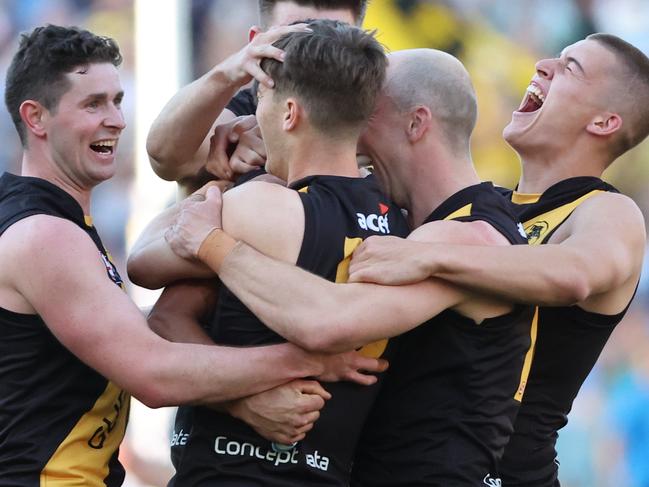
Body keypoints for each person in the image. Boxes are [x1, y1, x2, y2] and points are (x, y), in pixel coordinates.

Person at [0, 24, 383, 486]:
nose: (117, 120)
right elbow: (153, 373)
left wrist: (211, 185)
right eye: (93, 104)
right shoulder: (43, 234)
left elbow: (119, 334)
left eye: (117, 101)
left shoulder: (52, 222)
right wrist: (310, 360)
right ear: (35, 118)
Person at [159, 49, 536, 486]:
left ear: (416, 124)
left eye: (366, 113)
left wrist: (212, 243)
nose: (349, 128)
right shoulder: (399, 216)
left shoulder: (467, 234)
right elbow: (150, 264)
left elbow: (327, 321)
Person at [345, 33, 649, 486]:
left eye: (570, 68)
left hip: (508, 473)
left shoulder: (607, 210)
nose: (543, 64)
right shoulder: (491, 207)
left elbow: (576, 274)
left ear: (605, 121)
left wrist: (430, 259)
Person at [129, 19, 411, 486]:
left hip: (230, 473)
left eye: (261, 99)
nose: (252, 116)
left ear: (290, 114)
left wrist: (214, 189)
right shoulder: (405, 220)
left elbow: (142, 262)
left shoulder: (261, 203)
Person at [146, 0, 368, 196]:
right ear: (257, 43)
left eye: (337, 43)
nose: (316, 58)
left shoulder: (380, 119)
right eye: (298, 40)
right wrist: (227, 74)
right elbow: (163, 157)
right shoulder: (231, 124)